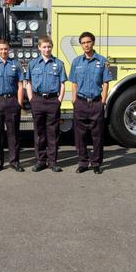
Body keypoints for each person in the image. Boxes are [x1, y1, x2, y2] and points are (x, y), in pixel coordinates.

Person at [69, 31, 113, 174]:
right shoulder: (76, 62)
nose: (86, 45)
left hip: (96, 103)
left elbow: (106, 83)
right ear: (81, 45)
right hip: (81, 102)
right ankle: (82, 162)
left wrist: (103, 101)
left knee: (97, 135)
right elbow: (74, 83)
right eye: (83, 43)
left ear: (93, 42)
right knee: (80, 135)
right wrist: (74, 100)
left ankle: (96, 163)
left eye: (88, 42)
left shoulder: (102, 61)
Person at [24, 35, 67, 172]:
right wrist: (31, 99)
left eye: (49, 46)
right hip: (37, 101)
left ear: (52, 47)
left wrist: (59, 100)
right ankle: (40, 161)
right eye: (44, 47)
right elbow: (28, 83)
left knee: (53, 133)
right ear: (39, 48)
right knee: (39, 133)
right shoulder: (33, 64)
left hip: (53, 101)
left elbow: (62, 84)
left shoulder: (58, 64)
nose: (47, 49)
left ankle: (53, 162)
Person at [0, 38, 25, 172]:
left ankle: (14, 161)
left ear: (9, 49)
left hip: (12, 101)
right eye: (1, 49)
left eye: (5, 49)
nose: (3, 51)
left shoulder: (16, 65)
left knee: (13, 134)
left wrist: (19, 102)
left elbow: (20, 85)